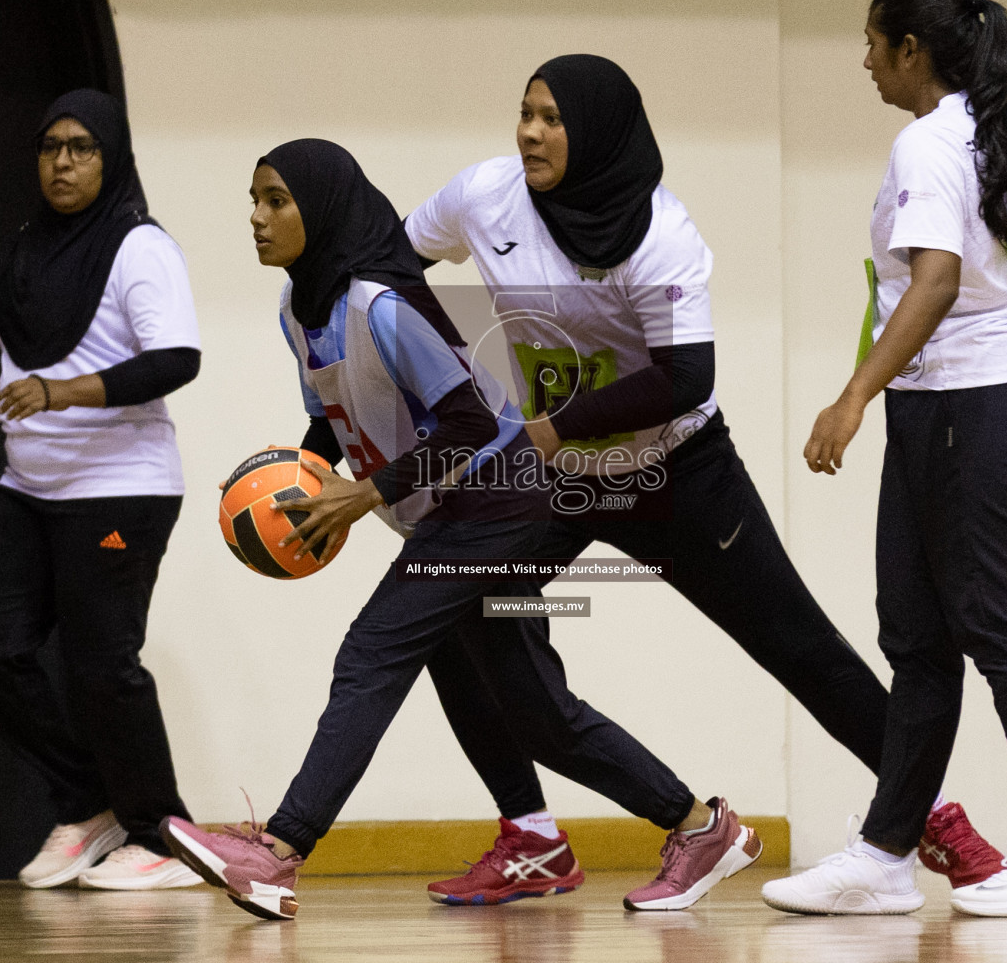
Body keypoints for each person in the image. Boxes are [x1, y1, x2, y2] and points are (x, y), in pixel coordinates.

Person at [404, 53, 1004, 908]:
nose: (529, 132)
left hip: (677, 470)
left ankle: (931, 815)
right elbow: (394, 266)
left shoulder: (662, 232)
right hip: (560, 477)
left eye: (551, 118)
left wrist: (541, 425)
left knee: (800, 649)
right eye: (525, 112)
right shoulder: (483, 195)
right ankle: (534, 837)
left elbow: (683, 376)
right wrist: (456, 377)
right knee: (453, 605)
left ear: (601, 133)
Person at [159, 138, 761, 920]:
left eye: (276, 200)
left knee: (373, 650)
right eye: (254, 200)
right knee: (540, 713)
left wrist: (364, 493)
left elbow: (474, 424)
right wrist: (290, 491)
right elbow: (329, 427)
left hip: (499, 505)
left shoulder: (381, 304)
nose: (257, 217)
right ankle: (692, 826)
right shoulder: (297, 310)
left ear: (325, 206)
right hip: (449, 515)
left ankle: (278, 853)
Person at [759, 0, 1007, 918]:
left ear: (911, 50)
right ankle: (883, 853)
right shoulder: (984, 135)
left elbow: (941, 280)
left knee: (1000, 629)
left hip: (975, 406)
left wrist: (850, 397)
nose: (864, 59)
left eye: (872, 41)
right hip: (964, 400)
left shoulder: (928, 137)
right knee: (916, 639)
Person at [0, 89, 202, 891]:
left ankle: (164, 835)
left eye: (82, 147)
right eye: (50, 146)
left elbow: (175, 359)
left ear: (111, 157)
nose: (62, 161)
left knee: (101, 664)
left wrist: (63, 394)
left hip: (120, 490)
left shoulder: (138, 248)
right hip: (32, 487)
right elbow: (27, 352)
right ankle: (89, 804)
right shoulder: (30, 245)